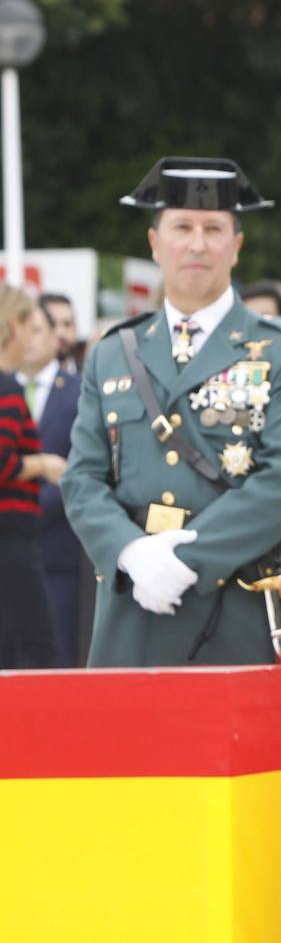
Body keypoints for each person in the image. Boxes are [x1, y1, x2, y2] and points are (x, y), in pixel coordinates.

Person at [59, 156, 281, 943]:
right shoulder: (113, 352)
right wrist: (130, 554)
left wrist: (190, 554)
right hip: (134, 606)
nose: (196, 243)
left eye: (214, 229)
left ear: (236, 243)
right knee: (135, 802)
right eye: (180, 227)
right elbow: (87, 478)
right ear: (154, 241)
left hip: (240, 605)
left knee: (263, 808)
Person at [0, 286, 65, 668]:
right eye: (33, 325)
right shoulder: (7, 388)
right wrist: (43, 465)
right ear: (15, 325)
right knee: (34, 647)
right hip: (11, 539)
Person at [21, 300, 85, 665]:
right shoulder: (4, 388)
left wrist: (28, 510)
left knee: (57, 659)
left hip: (57, 553)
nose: (29, 340)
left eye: (38, 330)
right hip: (9, 550)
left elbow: (78, 467)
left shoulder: (78, 391)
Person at [40, 292, 82, 376]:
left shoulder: (88, 379)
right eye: (52, 324)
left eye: (67, 324)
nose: (60, 333)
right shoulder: (20, 381)